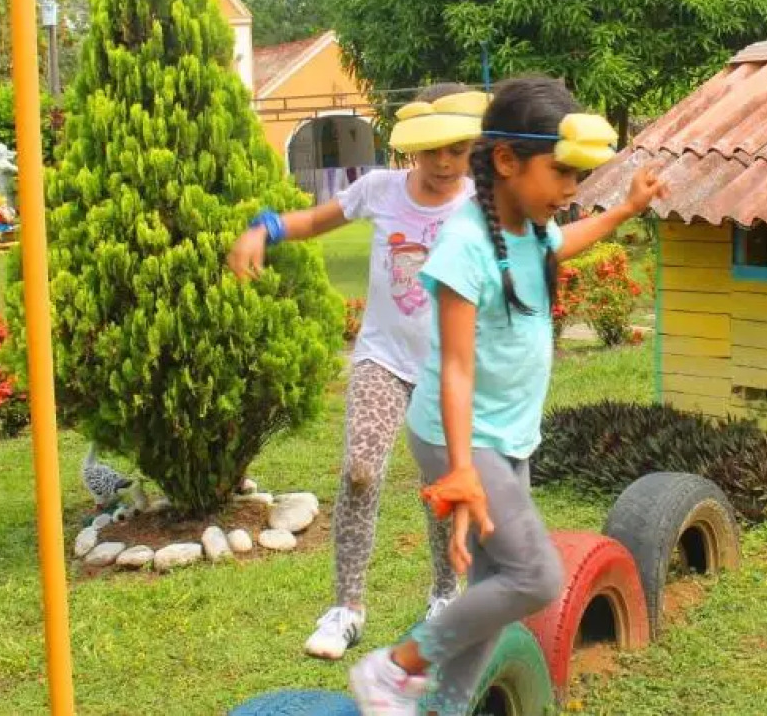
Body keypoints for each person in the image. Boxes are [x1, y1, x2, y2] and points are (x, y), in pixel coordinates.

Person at [346, 76, 664, 716]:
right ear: (506, 161)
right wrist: (462, 472)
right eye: (561, 173)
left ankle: (442, 707)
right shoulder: (465, 243)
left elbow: (564, 243)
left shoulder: (524, 226)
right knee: (537, 576)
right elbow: (455, 369)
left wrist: (624, 211)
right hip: (459, 436)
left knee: (494, 584)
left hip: (505, 435)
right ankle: (395, 667)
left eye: (578, 176)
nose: (571, 190)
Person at [230, 84, 487, 660]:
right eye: (433, 150)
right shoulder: (380, 190)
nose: (444, 163)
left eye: (458, 148)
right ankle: (347, 607)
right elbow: (314, 221)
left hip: (447, 371)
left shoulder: (480, 203)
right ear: (411, 148)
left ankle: (445, 596)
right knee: (360, 473)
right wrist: (261, 228)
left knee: (442, 490)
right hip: (383, 360)